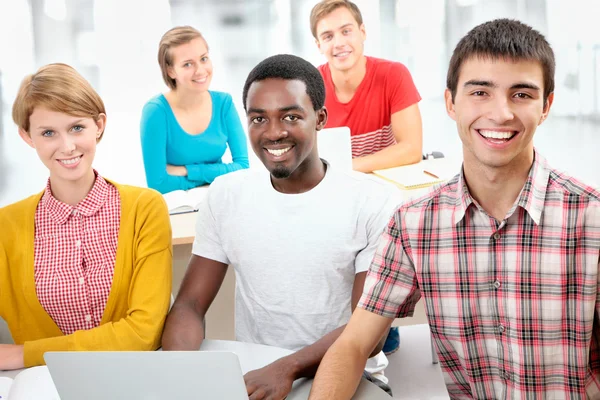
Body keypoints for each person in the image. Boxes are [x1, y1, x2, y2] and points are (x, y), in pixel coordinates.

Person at [309, 18, 600, 399]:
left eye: (522, 94)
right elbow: (352, 345)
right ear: (450, 103)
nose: (501, 114)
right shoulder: (414, 223)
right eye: (480, 93)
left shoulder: (591, 219)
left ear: (546, 106)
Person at [161, 54, 401, 398]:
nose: (273, 133)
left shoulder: (373, 201)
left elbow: (370, 333)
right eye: (259, 118)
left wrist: (286, 368)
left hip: (348, 374)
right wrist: (182, 377)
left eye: (290, 116)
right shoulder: (227, 196)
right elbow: (189, 306)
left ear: (319, 119)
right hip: (257, 377)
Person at [0, 63, 172, 370]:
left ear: (99, 125)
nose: (67, 146)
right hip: (45, 388)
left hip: (134, 382)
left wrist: (22, 353)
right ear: (28, 137)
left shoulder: (145, 209)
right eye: (48, 132)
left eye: (76, 127)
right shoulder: (5, 227)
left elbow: (144, 333)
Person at [311, 0, 423, 175]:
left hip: (386, 185)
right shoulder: (309, 87)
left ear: (362, 33)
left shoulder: (394, 74)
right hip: (335, 188)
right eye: (328, 36)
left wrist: (345, 167)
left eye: (346, 31)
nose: (339, 43)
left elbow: (411, 149)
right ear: (319, 45)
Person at [140, 26, 249, 194]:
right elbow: (158, 184)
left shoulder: (224, 104)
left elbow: (243, 168)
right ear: (170, 71)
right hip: (178, 209)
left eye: (204, 59)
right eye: (187, 64)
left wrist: (187, 170)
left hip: (220, 200)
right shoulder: (156, 112)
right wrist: (218, 173)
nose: (200, 70)